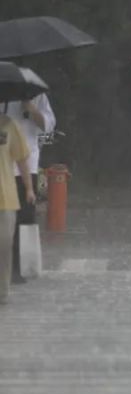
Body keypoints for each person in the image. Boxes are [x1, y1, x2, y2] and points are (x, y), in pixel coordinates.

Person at [4, 94, 54, 284]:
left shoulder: (37, 96)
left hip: (27, 164)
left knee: (24, 217)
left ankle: (19, 266)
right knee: (4, 219)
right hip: (4, 166)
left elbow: (48, 126)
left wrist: (32, 110)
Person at [0, 112, 34, 304]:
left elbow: (21, 159)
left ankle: (2, 291)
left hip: (6, 196)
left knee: (4, 245)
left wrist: (29, 188)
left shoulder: (9, 125)